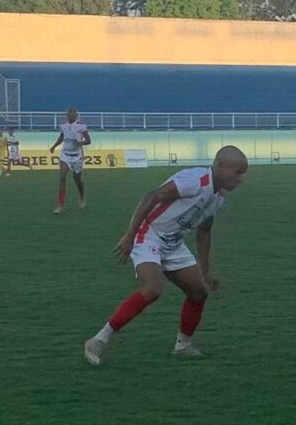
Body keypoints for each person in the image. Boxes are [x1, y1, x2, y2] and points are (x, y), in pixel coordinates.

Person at [83, 145, 249, 366]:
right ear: (219, 166)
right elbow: (152, 196)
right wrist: (130, 235)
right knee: (153, 289)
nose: (240, 179)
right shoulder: (195, 180)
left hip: (173, 242)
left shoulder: (218, 197)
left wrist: (206, 271)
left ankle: (183, 346)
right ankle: (98, 340)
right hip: (149, 233)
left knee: (198, 292)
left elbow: (205, 230)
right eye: (237, 172)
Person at [49, 106, 91, 213]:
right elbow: (62, 137)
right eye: (70, 112)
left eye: (74, 113)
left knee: (77, 179)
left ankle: (81, 196)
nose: (72, 114)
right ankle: (60, 206)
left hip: (77, 156)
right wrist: (54, 146)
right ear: (67, 114)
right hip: (65, 155)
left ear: (76, 115)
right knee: (62, 177)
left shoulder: (81, 126)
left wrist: (80, 143)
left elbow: (88, 140)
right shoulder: (63, 125)